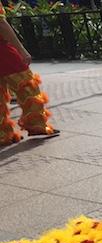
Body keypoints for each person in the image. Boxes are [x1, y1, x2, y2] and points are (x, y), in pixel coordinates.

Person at [0, 1, 58, 147]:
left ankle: (2, 134)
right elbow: (1, 24)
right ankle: (36, 125)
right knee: (28, 86)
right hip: (3, 52)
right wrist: (21, 50)